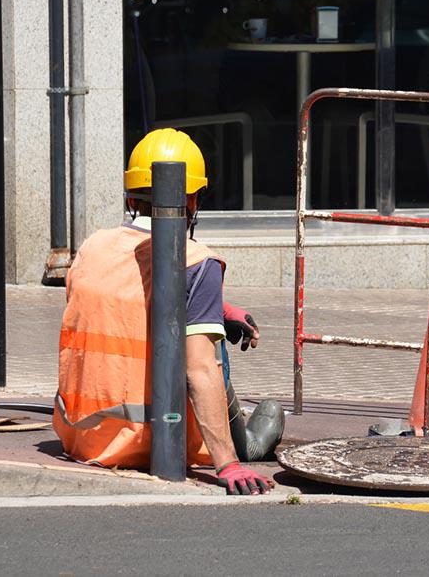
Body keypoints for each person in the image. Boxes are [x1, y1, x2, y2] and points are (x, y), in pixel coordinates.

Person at [54, 128, 284, 496]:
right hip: (155, 439)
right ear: (192, 200)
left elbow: (124, 301)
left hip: (82, 434)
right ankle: (244, 443)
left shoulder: (92, 247)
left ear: (131, 195)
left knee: (205, 316)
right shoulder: (198, 261)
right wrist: (227, 464)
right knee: (208, 344)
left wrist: (218, 308)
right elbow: (199, 369)